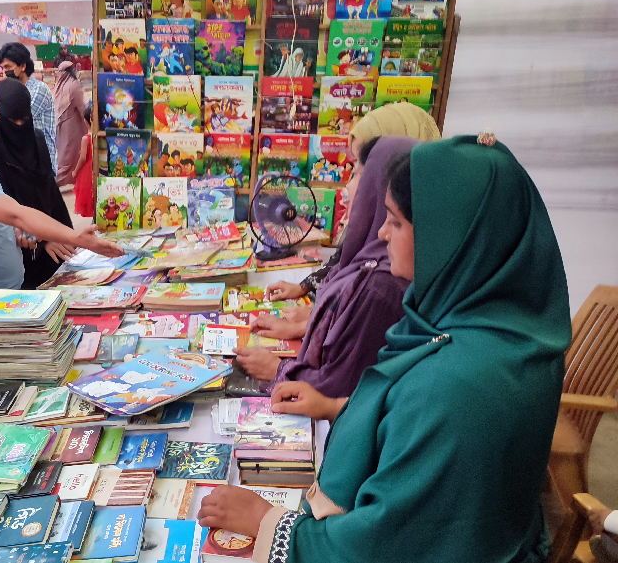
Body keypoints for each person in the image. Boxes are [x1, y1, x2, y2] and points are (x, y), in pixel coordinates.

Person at [198, 135, 572, 562]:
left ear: (445, 235)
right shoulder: (501, 328)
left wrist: (269, 522)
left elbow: (387, 544)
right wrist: (337, 408)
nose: (380, 231)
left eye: (394, 222)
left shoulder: (457, 387)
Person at [235, 137, 412, 398]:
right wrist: (304, 323)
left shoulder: (381, 285)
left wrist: (279, 369)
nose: (348, 188)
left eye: (358, 172)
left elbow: (342, 383)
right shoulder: (368, 261)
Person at [0, 68, 123, 302]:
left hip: (9, 289)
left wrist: (15, 231)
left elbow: (1, 215)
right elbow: (16, 214)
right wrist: (75, 237)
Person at [262, 102, 443, 335]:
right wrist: (304, 289)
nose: (348, 185)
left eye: (360, 169)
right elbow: (342, 262)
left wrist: (313, 324)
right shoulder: (372, 232)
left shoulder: (389, 278)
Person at [0, 78, 75, 289]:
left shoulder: (36, 139)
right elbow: (4, 208)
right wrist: (43, 239)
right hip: (20, 252)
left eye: (24, 118)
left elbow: (50, 191)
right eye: (12, 120)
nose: (19, 126)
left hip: (52, 244)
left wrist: (65, 233)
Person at [0, 42, 57, 172]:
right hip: (23, 161)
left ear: (23, 66)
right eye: (2, 68)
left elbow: (14, 117)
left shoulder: (39, 89)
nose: (5, 72)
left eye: (8, 67)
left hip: (41, 162)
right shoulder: (12, 92)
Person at [52, 61, 87, 186]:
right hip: (72, 128)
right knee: (69, 156)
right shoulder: (72, 85)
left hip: (67, 126)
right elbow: (82, 107)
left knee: (68, 155)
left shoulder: (62, 86)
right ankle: (54, 183)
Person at [73, 102, 94, 217]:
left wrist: (75, 171)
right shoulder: (99, 136)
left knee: (87, 193)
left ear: (85, 121)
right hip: (96, 167)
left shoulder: (86, 138)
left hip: (87, 170)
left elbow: (82, 158)